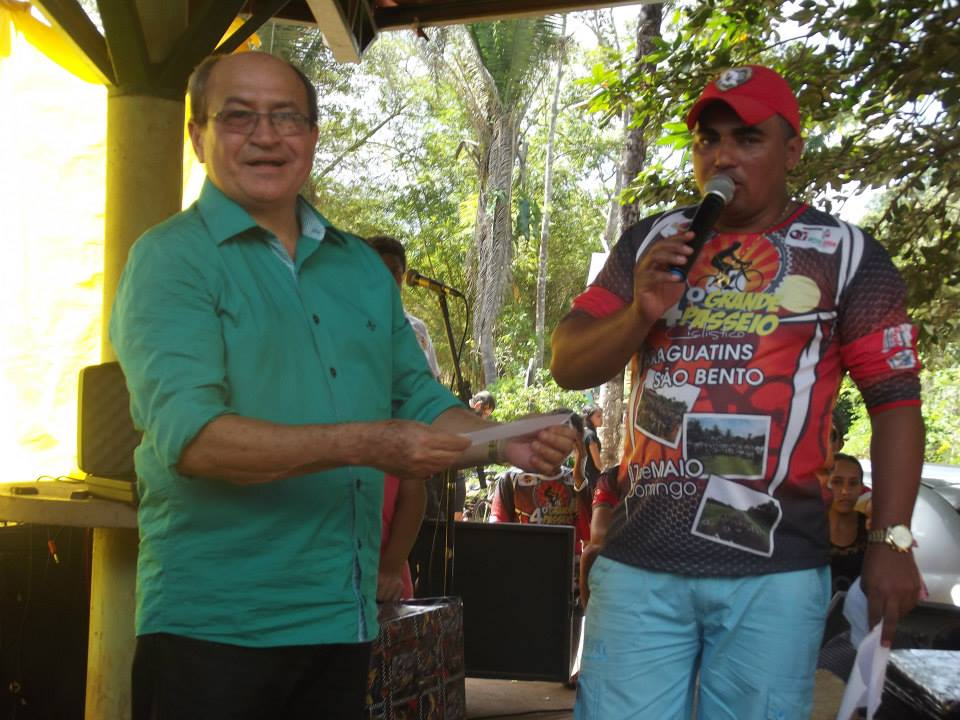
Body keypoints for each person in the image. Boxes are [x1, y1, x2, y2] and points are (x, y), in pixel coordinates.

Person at [110, 51, 575, 720]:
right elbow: (195, 441)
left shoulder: (357, 265)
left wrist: (502, 441)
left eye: (286, 117)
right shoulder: (170, 258)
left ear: (312, 136)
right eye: (238, 116)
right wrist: (366, 444)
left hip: (341, 615)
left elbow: (415, 398)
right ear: (197, 135)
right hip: (215, 623)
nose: (265, 136)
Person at [550, 64, 924, 719]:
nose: (722, 156)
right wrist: (638, 311)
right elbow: (568, 363)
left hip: (774, 570)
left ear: (792, 151)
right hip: (641, 563)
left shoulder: (846, 255)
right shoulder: (654, 242)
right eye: (709, 139)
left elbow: (895, 403)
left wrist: (890, 539)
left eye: (748, 139)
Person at [369, 234, 439, 601]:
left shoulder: (416, 330)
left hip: (405, 438)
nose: (387, 278)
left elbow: (426, 390)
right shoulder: (341, 325)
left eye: (394, 271)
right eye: (377, 270)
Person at [489, 412, 592, 555]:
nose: (560, 445)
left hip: (566, 562)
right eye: (557, 437)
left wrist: (580, 472)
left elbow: (587, 532)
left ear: (577, 446)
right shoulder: (512, 479)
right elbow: (497, 526)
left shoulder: (576, 481)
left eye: (571, 441)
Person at [828, 453, 869, 595]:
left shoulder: (872, 530)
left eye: (853, 483)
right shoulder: (807, 528)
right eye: (837, 482)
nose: (845, 491)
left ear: (861, 487)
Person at [581, 404, 604, 491]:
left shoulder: (583, 432)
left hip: (584, 477)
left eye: (601, 416)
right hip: (592, 480)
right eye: (598, 416)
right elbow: (598, 464)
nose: (601, 419)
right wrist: (607, 473)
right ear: (589, 418)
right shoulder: (591, 436)